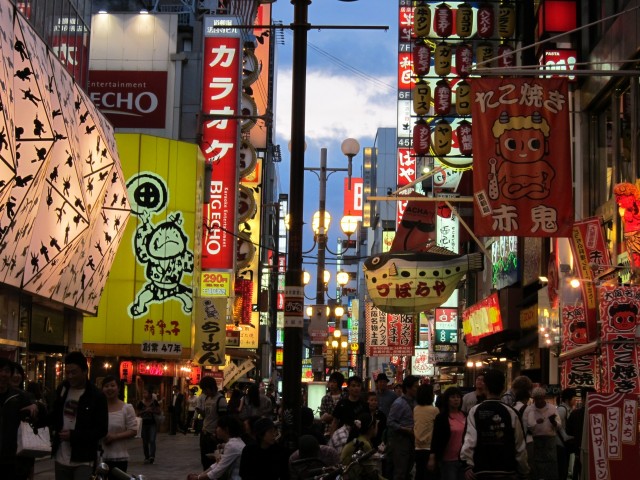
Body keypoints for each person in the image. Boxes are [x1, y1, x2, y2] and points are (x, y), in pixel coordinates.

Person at [459, 369, 529, 480]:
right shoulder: (511, 412)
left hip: (481, 471)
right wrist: (523, 470)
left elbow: (469, 440)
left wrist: (467, 466)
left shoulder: (475, 411)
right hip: (508, 471)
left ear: (485, 387)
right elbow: (520, 445)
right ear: (503, 388)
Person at [50, 351, 109, 480]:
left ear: (84, 371)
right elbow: (54, 414)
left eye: (74, 372)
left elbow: (101, 430)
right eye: (67, 372)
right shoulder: (63, 389)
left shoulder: (96, 396)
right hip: (61, 456)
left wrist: (74, 435)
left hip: (84, 459)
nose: (70, 376)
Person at [0, 358, 45, 480]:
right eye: (1, 370)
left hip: (13, 459)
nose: (3, 374)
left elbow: (42, 412)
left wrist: (36, 406)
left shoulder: (19, 396)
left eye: (6, 371)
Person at [187, 415, 246, 480]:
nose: (216, 430)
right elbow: (218, 464)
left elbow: (219, 470)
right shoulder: (234, 442)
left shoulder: (232, 445)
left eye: (218, 427)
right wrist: (201, 475)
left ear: (226, 429)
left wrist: (198, 478)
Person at [101, 376, 137, 479]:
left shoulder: (127, 408)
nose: (109, 388)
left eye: (112, 385)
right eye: (106, 386)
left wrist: (114, 437)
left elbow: (133, 430)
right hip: (99, 456)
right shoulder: (98, 408)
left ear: (118, 388)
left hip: (119, 456)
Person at [523, 387, 560, 480]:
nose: (539, 401)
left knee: (551, 463)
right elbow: (526, 427)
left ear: (544, 397)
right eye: (536, 399)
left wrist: (554, 422)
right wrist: (536, 423)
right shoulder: (529, 409)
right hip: (535, 440)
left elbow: (559, 426)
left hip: (550, 439)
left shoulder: (552, 408)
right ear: (533, 399)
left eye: (540, 398)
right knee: (536, 464)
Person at [428, 386, 466, 480]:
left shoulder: (466, 415)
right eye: (453, 397)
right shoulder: (441, 418)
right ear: (447, 400)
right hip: (447, 460)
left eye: (458, 397)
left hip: (464, 459)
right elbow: (436, 438)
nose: (456, 399)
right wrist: (432, 456)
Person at [387, 375, 420, 480]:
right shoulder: (399, 403)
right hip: (400, 441)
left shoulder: (417, 402)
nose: (417, 389)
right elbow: (390, 422)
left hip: (413, 440)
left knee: (409, 469)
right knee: (400, 471)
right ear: (408, 388)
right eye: (415, 386)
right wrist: (404, 429)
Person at [340, 412, 383, 480]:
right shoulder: (364, 444)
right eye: (377, 424)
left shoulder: (358, 439)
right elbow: (372, 474)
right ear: (372, 427)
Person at [198, 376, 228, 470]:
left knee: (213, 464)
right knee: (204, 461)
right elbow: (207, 415)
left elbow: (223, 420)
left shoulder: (221, 400)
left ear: (210, 387)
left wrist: (217, 435)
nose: (204, 392)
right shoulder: (207, 398)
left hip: (213, 436)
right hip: (204, 433)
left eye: (205, 389)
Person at [414, 383, 438, 480]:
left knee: (419, 474)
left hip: (417, 447)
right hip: (429, 447)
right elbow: (436, 430)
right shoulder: (434, 410)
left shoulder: (416, 409)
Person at [136, 386, 161, 464]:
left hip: (152, 423)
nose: (144, 394)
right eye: (143, 393)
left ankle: (152, 456)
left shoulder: (154, 402)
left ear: (150, 394)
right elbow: (137, 413)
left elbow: (159, 411)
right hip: (144, 424)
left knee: (152, 440)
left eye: (145, 393)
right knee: (145, 441)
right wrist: (144, 411)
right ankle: (146, 457)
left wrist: (152, 411)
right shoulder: (141, 403)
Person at [556, 388, 577, 480]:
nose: (575, 401)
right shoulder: (562, 409)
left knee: (564, 468)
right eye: (574, 399)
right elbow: (557, 426)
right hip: (560, 443)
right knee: (562, 468)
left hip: (564, 443)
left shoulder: (568, 409)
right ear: (568, 399)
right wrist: (565, 436)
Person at [319, 371, 344, 439]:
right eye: (330, 382)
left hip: (342, 432)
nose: (331, 384)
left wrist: (330, 416)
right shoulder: (325, 398)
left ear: (339, 384)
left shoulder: (345, 397)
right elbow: (323, 417)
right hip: (328, 432)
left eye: (334, 382)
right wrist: (337, 416)